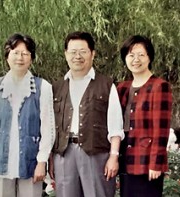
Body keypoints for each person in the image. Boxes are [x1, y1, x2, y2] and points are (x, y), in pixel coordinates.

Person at [48, 31, 124, 197]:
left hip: (96, 153)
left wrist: (114, 156)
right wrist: (50, 158)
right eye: (73, 52)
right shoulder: (56, 87)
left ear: (92, 54)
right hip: (64, 154)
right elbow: (50, 127)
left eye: (83, 51)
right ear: (66, 54)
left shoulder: (106, 84)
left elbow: (115, 124)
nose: (78, 56)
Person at [0, 33, 55, 197]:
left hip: (30, 163)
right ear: (7, 56)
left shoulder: (44, 87)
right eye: (15, 52)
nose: (20, 58)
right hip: (0, 162)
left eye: (25, 53)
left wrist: (42, 162)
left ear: (31, 58)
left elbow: (48, 129)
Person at [117, 35, 172, 197]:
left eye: (141, 55)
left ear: (150, 57)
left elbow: (161, 130)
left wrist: (156, 163)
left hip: (147, 160)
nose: (136, 59)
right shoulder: (122, 88)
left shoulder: (159, 86)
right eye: (131, 55)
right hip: (126, 158)